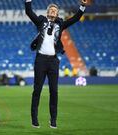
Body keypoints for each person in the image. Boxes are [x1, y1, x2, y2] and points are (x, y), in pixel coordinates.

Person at [25, 0, 87, 128]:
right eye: (51, 9)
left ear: (57, 13)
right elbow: (29, 12)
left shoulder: (61, 24)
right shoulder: (41, 21)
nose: (53, 11)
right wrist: (28, 1)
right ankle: (34, 119)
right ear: (47, 12)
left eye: (55, 10)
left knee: (54, 91)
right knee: (37, 90)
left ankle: (53, 119)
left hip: (53, 61)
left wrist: (82, 6)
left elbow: (75, 19)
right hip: (40, 60)